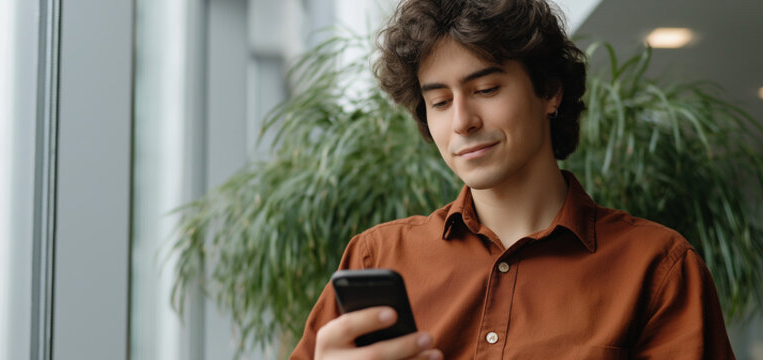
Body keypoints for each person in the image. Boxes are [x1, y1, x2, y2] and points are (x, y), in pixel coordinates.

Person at [291, 0, 735, 358]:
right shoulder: (377, 257)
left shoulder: (658, 269)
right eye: (440, 102)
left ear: (550, 91)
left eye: (486, 90)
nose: (462, 121)